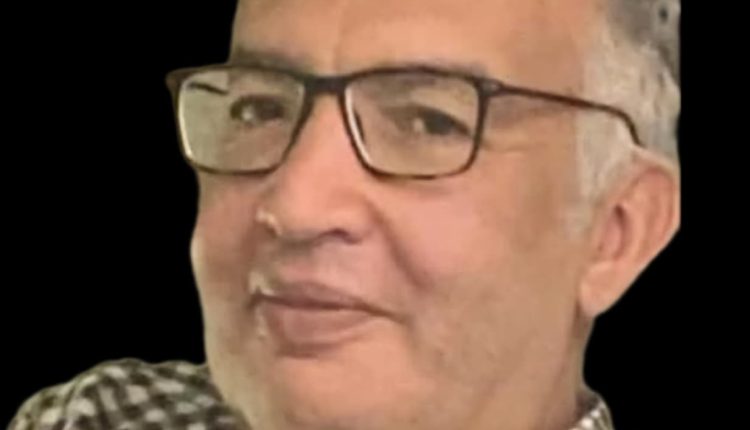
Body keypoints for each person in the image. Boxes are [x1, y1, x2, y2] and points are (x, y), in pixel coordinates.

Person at [9, 0, 680, 429]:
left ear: (615, 232)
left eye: (429, 121)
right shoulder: (92, 418)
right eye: (259, 108)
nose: (296, 206)